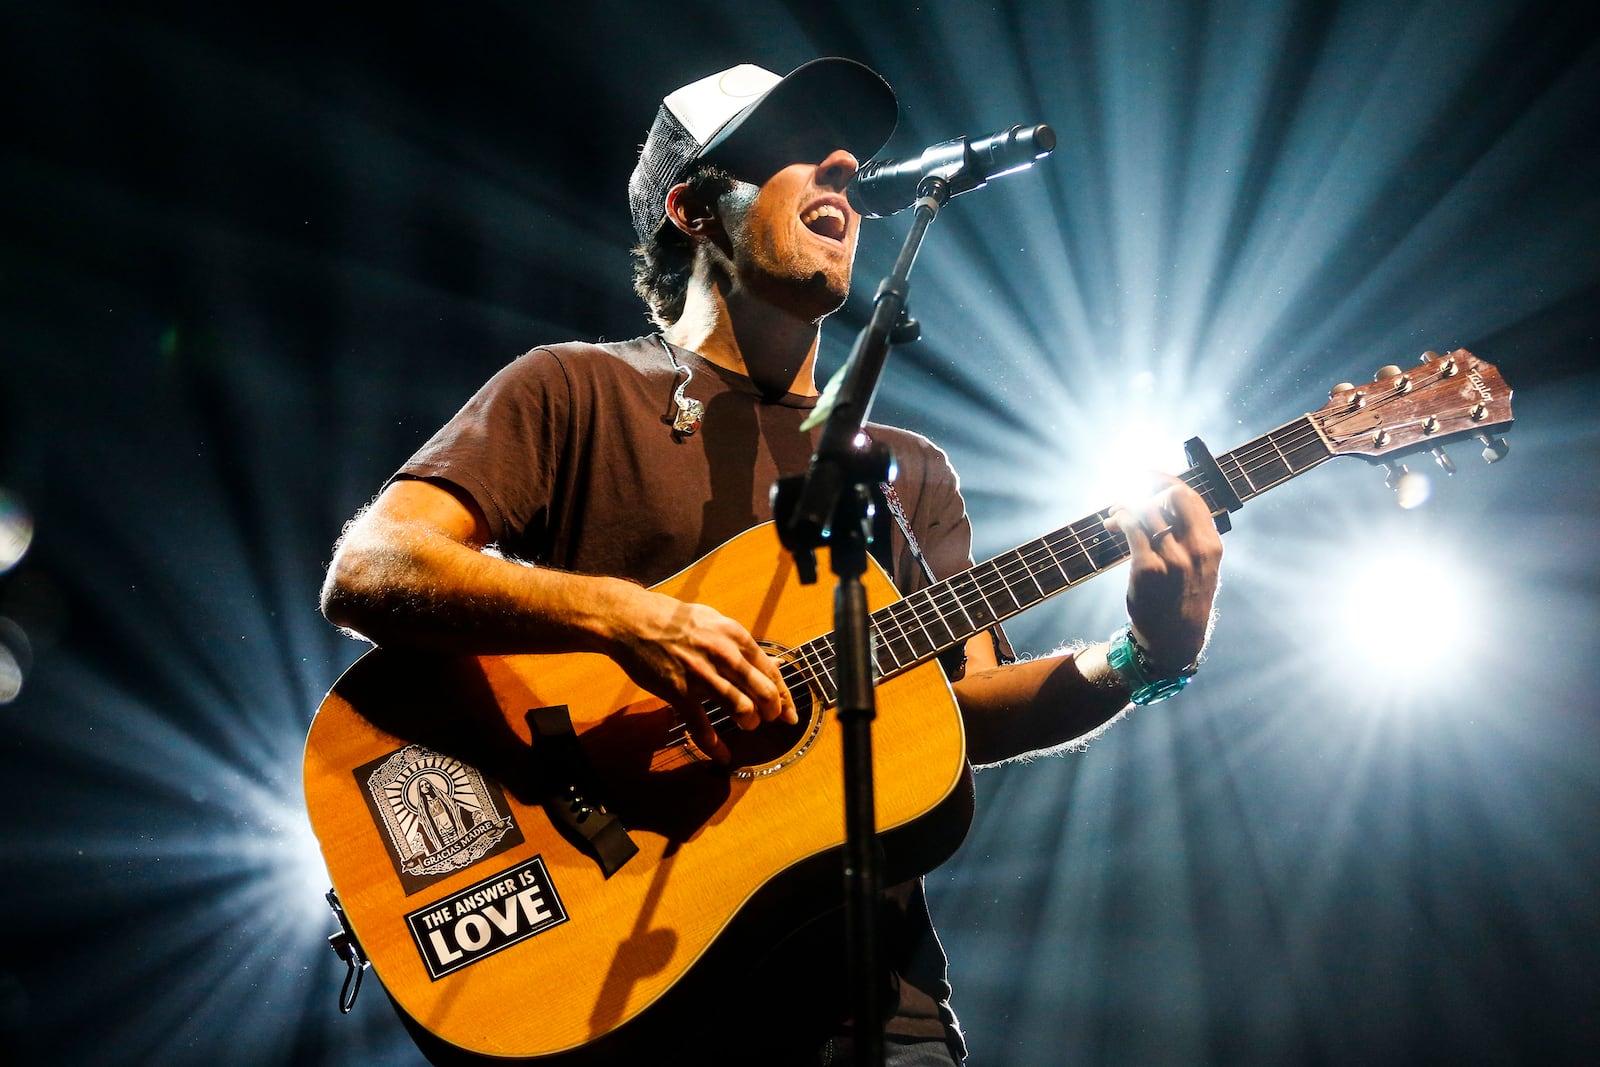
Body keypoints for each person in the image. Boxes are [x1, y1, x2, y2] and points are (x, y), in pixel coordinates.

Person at [321, 58, 1222, 1066]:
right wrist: (626, 620)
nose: (843, 166)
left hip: (869, 1008)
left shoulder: (907, 472)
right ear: (693, 210)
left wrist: (1145, 654)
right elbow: (373, 565)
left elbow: (959, 709)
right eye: (792, 147)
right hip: (620, 975)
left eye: (848, 156)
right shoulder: (573, 390)